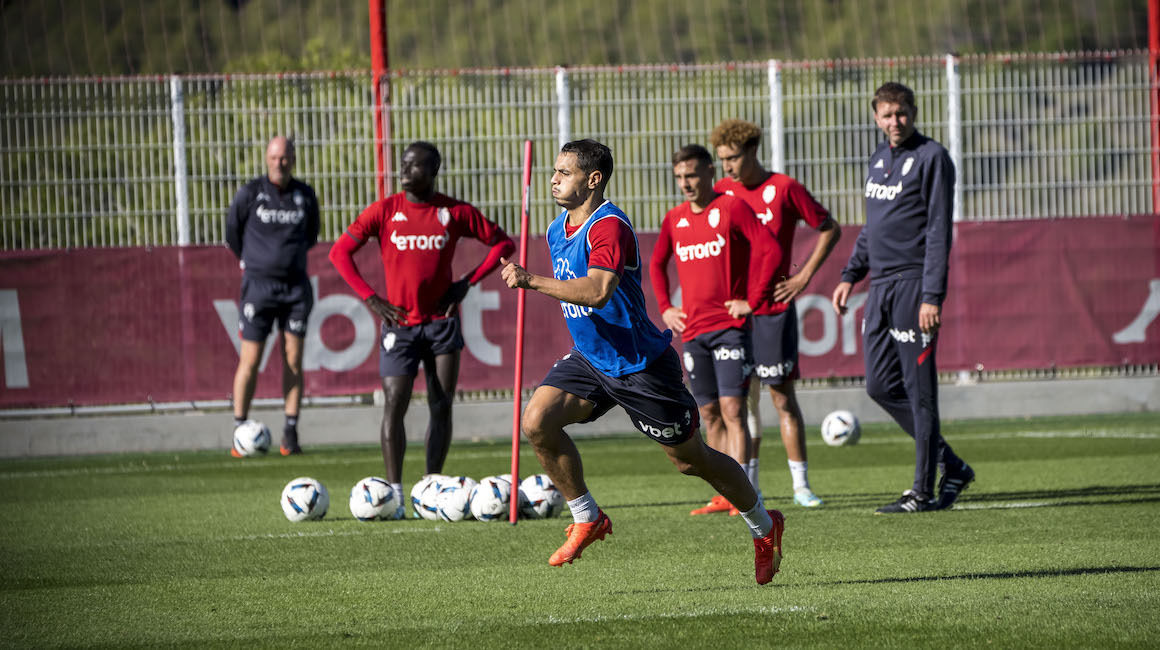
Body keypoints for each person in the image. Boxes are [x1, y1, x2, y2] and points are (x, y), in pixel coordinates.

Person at [500, 139, 785, 584]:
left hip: (641, 366)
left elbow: (598, 291)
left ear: (593, 180)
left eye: (564, 173)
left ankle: (765, 527)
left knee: (691, 460)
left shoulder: (608, 226)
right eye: (553, 171)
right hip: (592, 359)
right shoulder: (557, 230)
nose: (553, 180)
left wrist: (531, 280)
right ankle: (587, 517)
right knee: (537, 421)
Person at [329, 141, 515, 517]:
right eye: (403, 163)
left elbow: (503, 244)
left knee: (441, 404)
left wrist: (467, 283)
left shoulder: (454, 212)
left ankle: (431, 487)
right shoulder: (384, 211)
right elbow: (339, 253)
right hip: (400, 327)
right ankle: (395, 494)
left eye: (414, 165)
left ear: (433, 171)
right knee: (394, 403)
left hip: (442, 324)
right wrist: (371, 298)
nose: (404, 170)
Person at [831, 82, 975, 513]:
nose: (895, 121)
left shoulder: (933, 157)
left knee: (920, 392)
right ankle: (952, 466)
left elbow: (939, 231)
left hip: (914, 286)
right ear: (876, 117)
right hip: (880, 286)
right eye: (887, 115)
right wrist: (850, 274)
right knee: (879, 386)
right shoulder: (878, 158)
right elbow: (873, 227)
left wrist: (932, 295)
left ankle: (922, 491)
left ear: (914, 112)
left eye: (902, 113)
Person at [711, 119, 842, 509]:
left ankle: (801, 486)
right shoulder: (721, 191)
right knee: (739, 404)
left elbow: (829, 228)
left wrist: (803, 276)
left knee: (782, 399)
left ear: (753, 151)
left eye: (733, 157)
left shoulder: (784, 188)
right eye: (722, 159)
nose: (727, 166)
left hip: (773, 309)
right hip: (733, 312)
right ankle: (748, 489)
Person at [648, 144, 780, 517]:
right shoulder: (674, 219)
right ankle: (725, 494)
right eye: (679, 177)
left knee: (734, 408)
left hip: (730, 328)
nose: (685, 183)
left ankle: (746, 493)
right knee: (709, 413)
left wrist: (752, 300)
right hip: (694, 331)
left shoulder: (732, 208)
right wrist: (666, 307)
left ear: (709, 171)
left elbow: (769, 250)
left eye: (691, 175)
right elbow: (656, 264)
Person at [226, 135, 320, 456]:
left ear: (293, 159)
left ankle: (290, 433)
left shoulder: (304, 195)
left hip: (295, 289)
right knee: (250, 360)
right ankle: (240, 429)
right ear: (267, 158)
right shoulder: (251, 193)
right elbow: (232, 233)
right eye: (275, 157)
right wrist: (255, 262)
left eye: (285, 157)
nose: (280, 163)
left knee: (293, 359)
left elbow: (311, 236)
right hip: (258, 288)